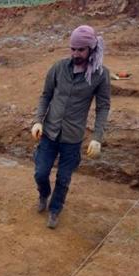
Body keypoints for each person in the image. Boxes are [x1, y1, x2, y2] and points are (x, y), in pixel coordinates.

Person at [30, 25, 110, 229]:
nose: (75, 53)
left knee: (64, 179)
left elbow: (103, 107)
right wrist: (38, 120)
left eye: (80, 50)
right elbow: (46, 96)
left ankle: (55, 209)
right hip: (49, 132)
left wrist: (97, 137)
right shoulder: (58, 68)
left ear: (91, 49)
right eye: (72, 49)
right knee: (40, 173)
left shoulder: (100, 75)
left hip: (72, 138)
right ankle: (44, 194)